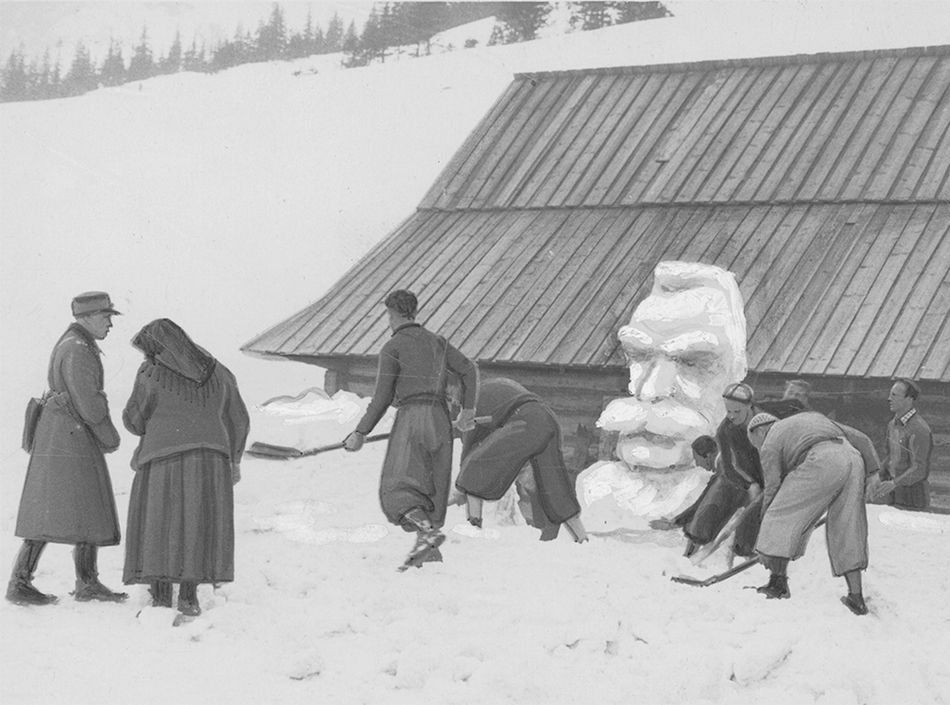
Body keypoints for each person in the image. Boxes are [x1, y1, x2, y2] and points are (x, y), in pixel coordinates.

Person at [578, 262, 750, 528]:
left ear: (736, 371)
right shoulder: (599, 489)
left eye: (691, 363)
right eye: (638, 355)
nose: (648, 390)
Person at [121, 319, 249, 617]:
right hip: (212, 462)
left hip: (162, 459)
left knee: (160, 525)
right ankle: (189, 598)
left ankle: (162, 598)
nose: (146, 356)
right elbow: (239, 419)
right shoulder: (221, 371)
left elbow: (134, 420)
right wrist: (235, 458)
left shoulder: (150, 371)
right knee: (197, 525)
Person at [7, 292, 127, 606]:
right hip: (71, 438)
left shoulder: (73, 344)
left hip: (63, 436)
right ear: (86, 318)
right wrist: (109, 436)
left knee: (65, 509)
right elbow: (89, 404)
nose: (110, 323)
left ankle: (81, 581)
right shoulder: (79, 350)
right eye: (105, 316)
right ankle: (30, 583)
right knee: (68, 507)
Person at [344, 290, 478, 570]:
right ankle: (430, 553)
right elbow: (469, 370)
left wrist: (360, 432)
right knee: (431, 488)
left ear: (392, 314)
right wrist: (468, 411)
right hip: (440, 421)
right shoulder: (438, 343)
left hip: (412, 421)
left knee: (398, 487)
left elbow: (381, 399)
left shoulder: (393, 348)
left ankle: (427, 534)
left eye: (388, 316)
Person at [748, 411, 883, 616]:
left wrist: (767, 521)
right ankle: (856, 597)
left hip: (820, 459)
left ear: (758, 432)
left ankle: (777, 584)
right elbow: (861, 439)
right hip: (853, 457)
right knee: (848, 527)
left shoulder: (769, 440)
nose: (759, 448)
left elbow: (773, 486)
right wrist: (873, 472)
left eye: (755, 443)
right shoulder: (812, 419)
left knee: (779, 515)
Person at [455, 377, 588, 543]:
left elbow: (470, 441)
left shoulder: (474, 400)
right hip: (547, 420)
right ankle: (582, 537)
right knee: (555, 484)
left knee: (474, 467)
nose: (455, 402)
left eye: (453, 397)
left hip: (525, 420)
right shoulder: (496, 385)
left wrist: (462, 478)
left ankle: (473, 526)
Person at [875, 378, 933, 510]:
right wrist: (877, 476)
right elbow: (890, 457)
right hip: (894, 493)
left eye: (894, 395)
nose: (889, 399)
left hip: (913, 495)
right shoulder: (892, 425)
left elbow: (919, 469)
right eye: (890, 394)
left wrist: (895, 483)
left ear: (909, 399)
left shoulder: (919, 429)